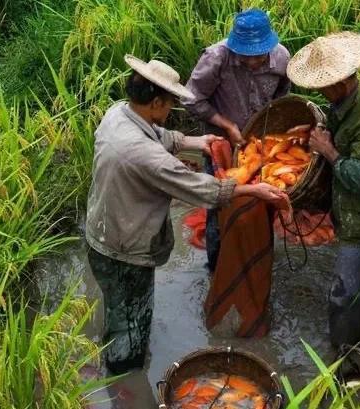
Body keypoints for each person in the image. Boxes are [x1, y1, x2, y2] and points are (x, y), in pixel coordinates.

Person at [85, 54, 284, 374]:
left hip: (102, 231)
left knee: (117, 309)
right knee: (132, 324)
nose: (170, 111)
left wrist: (197, 141)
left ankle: (117, 354)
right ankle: (126, 378)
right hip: (124, 250)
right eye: (169, 104)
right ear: (155, 103)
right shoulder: (147, 157)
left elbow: (158, 136)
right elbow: (200, 189)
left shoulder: (118, 115)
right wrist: (252, 191)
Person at [286, 32, 360, 347]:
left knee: (345, 294)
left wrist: (328, 151)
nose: (319, 91)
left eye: (322, 86)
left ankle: (341, 354)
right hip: (355, 210)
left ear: (341, 82)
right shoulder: (344, 104)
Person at [183, 8, 291, 273]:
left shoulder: (281, 57)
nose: (252, 62)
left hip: (259, 144)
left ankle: (256, 256)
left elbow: (281, 98)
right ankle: (217, 265)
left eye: (258, 56)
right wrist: (227, 125)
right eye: (246, 55)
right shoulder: (216, 58)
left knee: (264, 198)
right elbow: (190, 98)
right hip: (220, 143)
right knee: (218, 203)